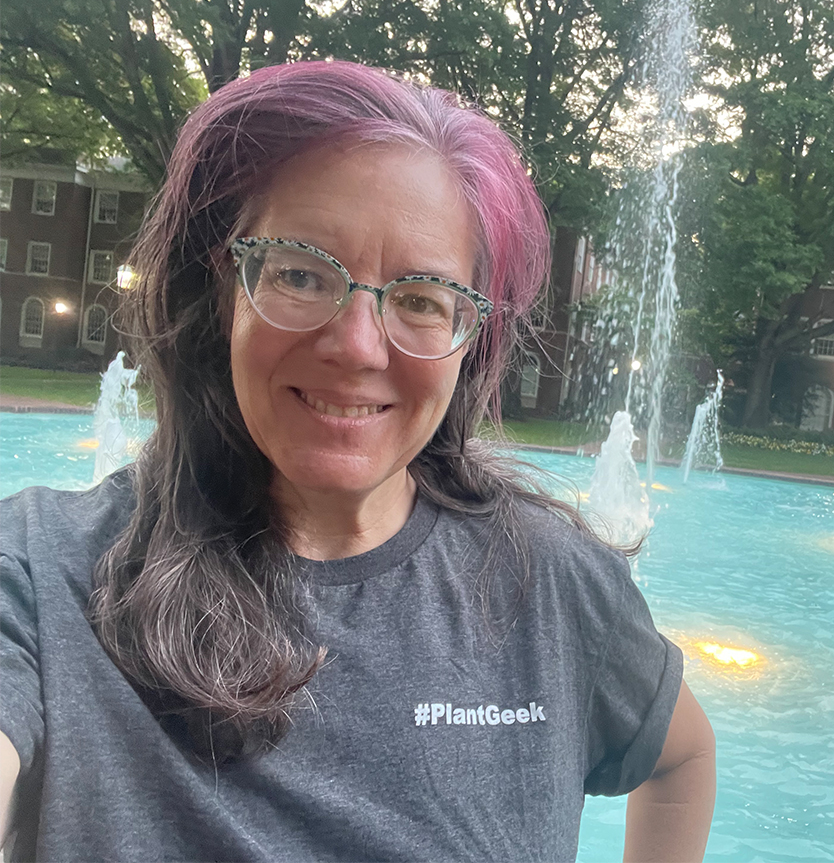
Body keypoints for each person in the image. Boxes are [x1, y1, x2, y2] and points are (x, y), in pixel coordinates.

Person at [0, 61, 715, 862]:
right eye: (302, 273)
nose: (357, 344)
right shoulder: (43, 574)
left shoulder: (552, 583)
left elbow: (682, 757)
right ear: (227, 288)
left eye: (419, 298)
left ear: (469, 341)